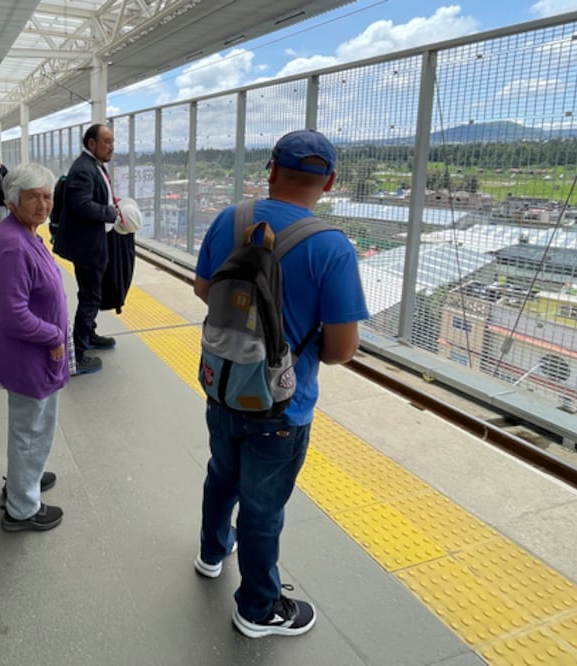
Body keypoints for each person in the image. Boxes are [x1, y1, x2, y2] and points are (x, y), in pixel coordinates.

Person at [192, 129, 368, 638]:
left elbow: (204, 288)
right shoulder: (332, 248)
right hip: (281, 408)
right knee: (263, 507)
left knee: (222, 473)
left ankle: (210, 551)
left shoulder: (232, 218)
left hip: (221, 385)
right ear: (330, 182)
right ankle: (258, 608)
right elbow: (340, 352)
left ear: (271, 169)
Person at [0, 162, 71, 532]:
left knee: (32, 425)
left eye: (47, 196)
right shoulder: (13, 246)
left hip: (32, 354)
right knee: (31, 429)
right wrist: (53, 337)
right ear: (13, 201)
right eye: (33, 197)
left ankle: (24, 478)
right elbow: (14, 314)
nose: (43, 204)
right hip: (30, 354)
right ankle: (22, 508)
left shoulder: (24, 233)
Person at [53, 123, 120, 375]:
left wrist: (109, 204)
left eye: (112, 141)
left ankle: (88, 335)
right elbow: (81, 205)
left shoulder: (92, 165)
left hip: (91, 242)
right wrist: (110, 212)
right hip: (87, 246)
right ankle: (77, 355)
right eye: (106, 141)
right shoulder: (83, 169)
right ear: (91, 143)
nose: (111, 146)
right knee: (91, 297)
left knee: (91, 294)